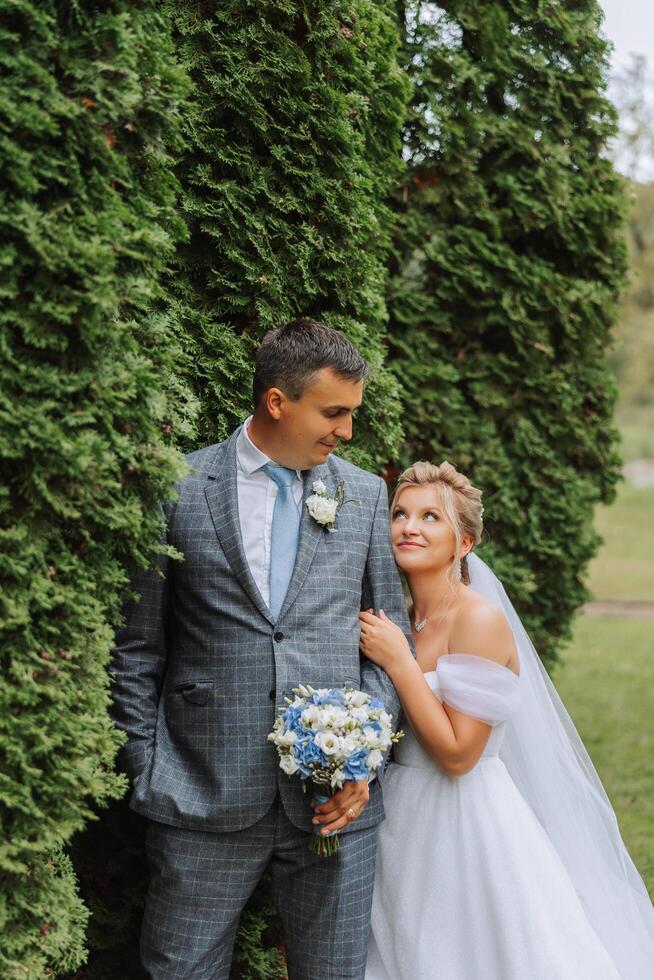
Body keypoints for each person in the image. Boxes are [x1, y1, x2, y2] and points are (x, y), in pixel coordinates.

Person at [110, 318, 412, 980]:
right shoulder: (178, 487)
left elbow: (393, 646)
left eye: (352, 414)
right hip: (199, 797)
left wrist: (362, 761)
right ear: (278, 401)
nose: (347, 432)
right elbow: (135, 647)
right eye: (333, 412)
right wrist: (147, 768)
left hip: (336, 807)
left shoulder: (362, 495)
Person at [359, 460, 654, 980]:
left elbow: (458, 755)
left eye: (431, 517)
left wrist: (400, 662)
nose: (409, 526)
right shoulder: (401, 618)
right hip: (398, 819)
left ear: (464, 543)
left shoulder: (477, 619)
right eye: (401, 513)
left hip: (461, 825)